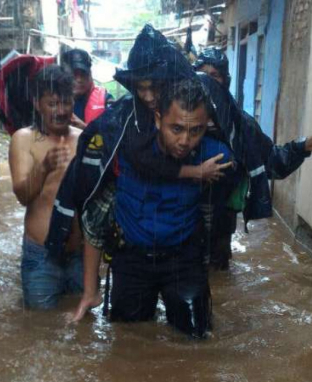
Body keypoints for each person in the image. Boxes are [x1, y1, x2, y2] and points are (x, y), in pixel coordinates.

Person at [81, 78, 237, 338]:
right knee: (127, 344)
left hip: (184, 261)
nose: (185, 141)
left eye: (195, 131)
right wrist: (89, 290)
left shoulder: (215, 157)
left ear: (207, 125)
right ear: (157, 119)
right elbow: (94, 217)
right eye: (176, 129)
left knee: (196, 342)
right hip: (131, 260)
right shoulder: (128, 148)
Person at [194, 48, 312, 270]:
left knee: (218, 280)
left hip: (221, 223)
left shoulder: (242, 126)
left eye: (214, 76)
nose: (208, 83)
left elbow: (271, 162)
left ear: (224, 82)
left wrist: (302, 147)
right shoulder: (179, 120)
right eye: (202, 75)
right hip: (182, 221)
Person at [8, 65, 83, 309]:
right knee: (39, 330)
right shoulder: (24, 139)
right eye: (52, 104)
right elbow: (22, 195)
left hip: (79, 256)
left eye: (66, 102)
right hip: (41, 256)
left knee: (83, 328)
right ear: (37, 103)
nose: (61, 111)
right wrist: (44, 167)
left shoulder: (83, 139)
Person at [59, 48, 113, 129]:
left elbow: (114, 136)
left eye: (83, 74)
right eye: (74, 74)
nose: (79, 80)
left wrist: (84, 129)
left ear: (90, 74)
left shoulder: (106, 100)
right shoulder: (53, 101)